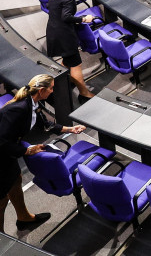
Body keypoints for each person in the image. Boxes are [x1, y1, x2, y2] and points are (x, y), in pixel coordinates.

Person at [0, 74, 87, 232]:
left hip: (8, 152)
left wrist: (70, 129)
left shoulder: (33, 103)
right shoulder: (18, 109)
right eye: (51, 88)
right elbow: (2, 141)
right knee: (1, 200)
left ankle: (24, 217)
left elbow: (44, 124)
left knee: (15, 179)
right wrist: (26, 150)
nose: (53, 91)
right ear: (41, 90)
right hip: (2, 152)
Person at [45, 0, 96, 99]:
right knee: (75, 64)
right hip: (64, 36)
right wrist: (84, 18)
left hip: (52, 32)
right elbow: (66, 17)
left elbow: (50, 8)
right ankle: (84, 93)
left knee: (67, 59)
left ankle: (59, 83)